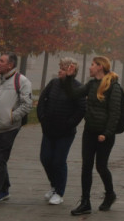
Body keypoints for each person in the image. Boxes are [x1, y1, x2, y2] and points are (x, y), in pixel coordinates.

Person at [65, 55, 122, 215]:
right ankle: (85, 202)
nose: (89, 67)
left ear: (100, 67)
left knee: (101, 166)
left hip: (104, 135)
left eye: (92, 64)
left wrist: (107, 133)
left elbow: (115, 113)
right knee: (86, 167)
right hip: (89, 132)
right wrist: (69, 78)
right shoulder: (91, 84)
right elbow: (73, 95)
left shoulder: (113, 86)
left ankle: (110, 194)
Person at [0, 52, 32, 209]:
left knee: (0, 160)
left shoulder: (22, 81)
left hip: (9, 128)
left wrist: (11, 117)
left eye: (2, 61)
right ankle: (4, 189)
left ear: (10, 65)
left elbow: (27, 104)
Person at [36, 57, 86, 206]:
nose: (60, 71)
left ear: (72, 72)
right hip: (48, 129)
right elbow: (42, 101)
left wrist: (68, 124)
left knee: (58, 161)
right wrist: (42, 118)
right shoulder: (54, 83)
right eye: (60, 68)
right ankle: (54, 185)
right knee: (45, 158)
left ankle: (59, 192)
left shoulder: (78, 87)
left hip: (65, 132)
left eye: (63, 69)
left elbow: (81, 109)